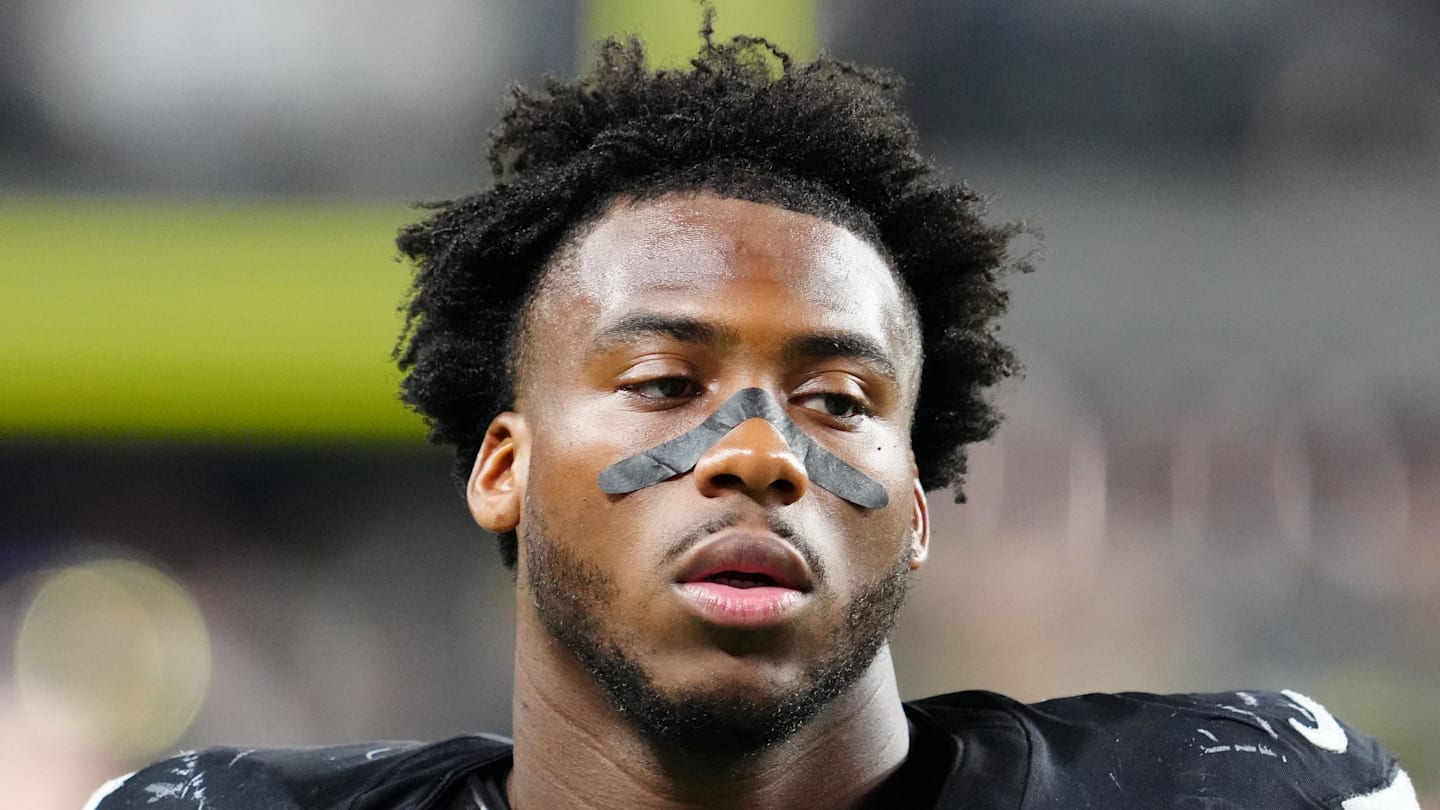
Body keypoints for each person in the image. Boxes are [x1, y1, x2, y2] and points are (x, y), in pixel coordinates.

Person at [89, 24, 1418, 810]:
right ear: (504, 465)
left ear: (912, 506)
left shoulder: (1248, 788)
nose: (757, 453)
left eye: (838, 400)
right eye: (665, 382)